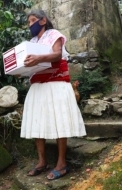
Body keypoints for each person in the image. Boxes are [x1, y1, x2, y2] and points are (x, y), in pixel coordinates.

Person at [20, 9, 86, 180]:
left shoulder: (53, 34)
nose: (30, 24)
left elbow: (57, 55)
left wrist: (38, 59)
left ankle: (62, 163)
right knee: (37, 122)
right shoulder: (33, 41)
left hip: (56, 84)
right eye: (28, 22)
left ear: (43, 20)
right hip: (38, 86)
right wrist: (19, 69)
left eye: (33, 20)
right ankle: (42, 162)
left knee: (59, 121)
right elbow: (30, 63)